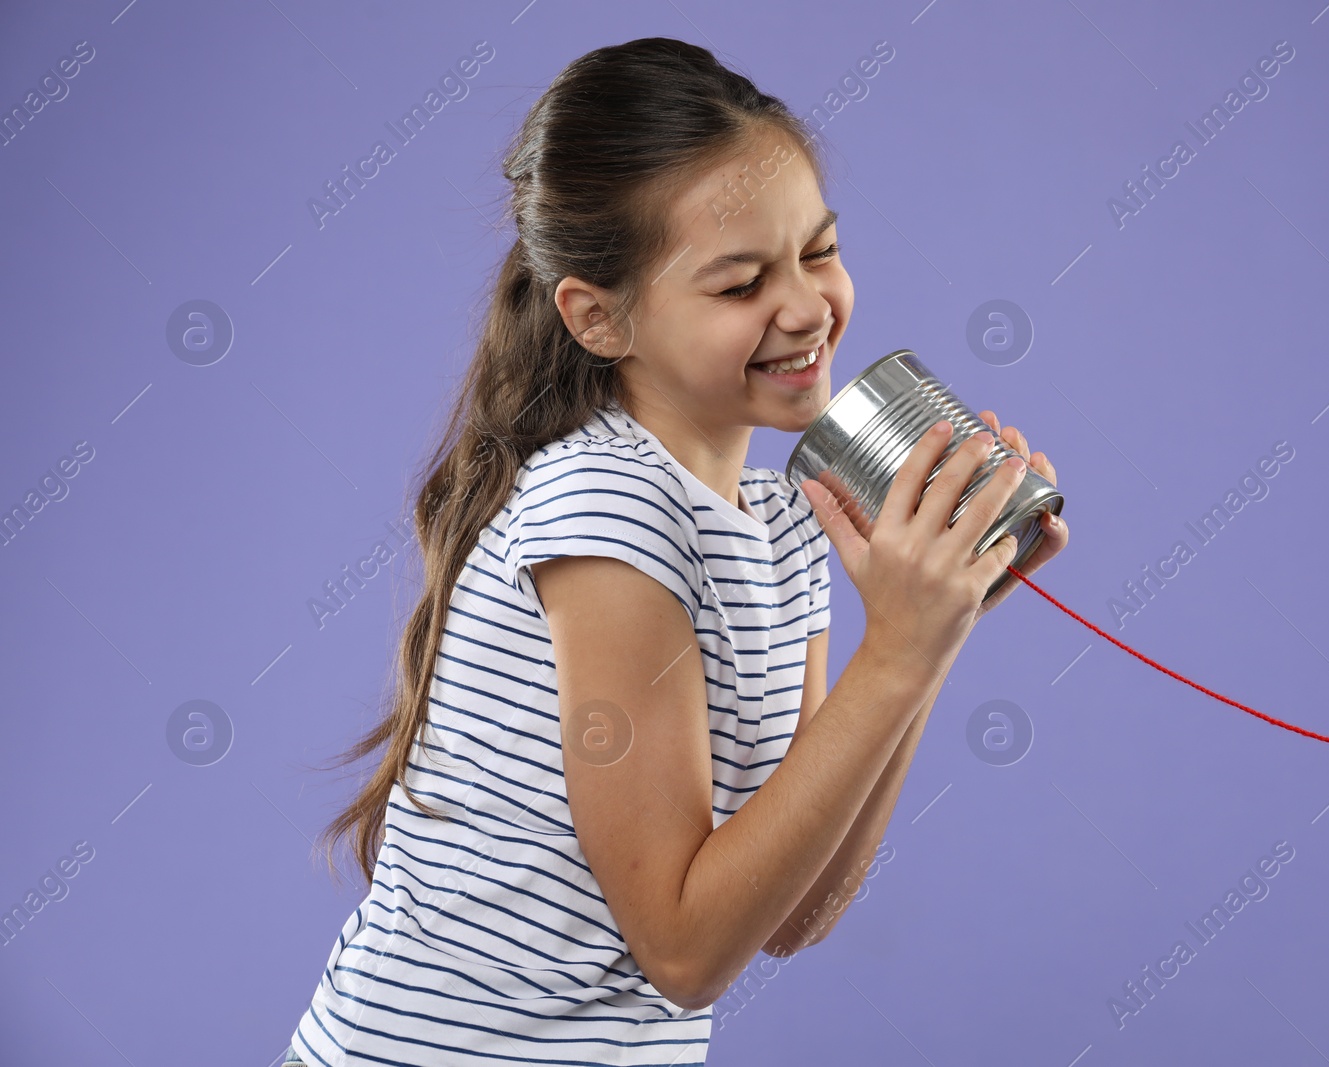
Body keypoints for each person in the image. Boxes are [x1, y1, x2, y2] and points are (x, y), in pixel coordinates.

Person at [284, 35, 1067, 1067]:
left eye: (818, 252)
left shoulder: (784, 521)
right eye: (741, 282)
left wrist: (930, 625)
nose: (804, 307)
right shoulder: (607, 511)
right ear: (599, 316)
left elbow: (788, 913)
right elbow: (685, 948)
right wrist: (897, 656)